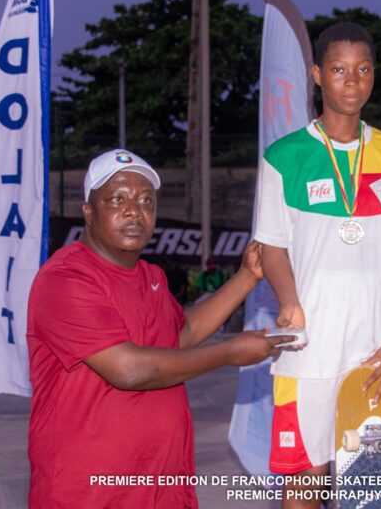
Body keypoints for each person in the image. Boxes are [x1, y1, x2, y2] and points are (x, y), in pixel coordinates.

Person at [26, 149, 293, 508]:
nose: (134, 210)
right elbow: (129, 369)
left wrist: (248, 276)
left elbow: (181, 336)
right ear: (88, 211)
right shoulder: (65, 278)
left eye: (145, 200)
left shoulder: (151, 277)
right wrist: (230, 353)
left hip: (160, 486)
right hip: (89, 493)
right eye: (117, 199)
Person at [254, 22, 381, 506]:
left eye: (362, 70)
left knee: (376, 490)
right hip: (306, 352)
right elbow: (271, 247)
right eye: (338, 69)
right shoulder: (283, 158)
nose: (351, 81)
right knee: (305, 481)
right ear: (316, 75)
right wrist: (289, 301)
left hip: (380, 354)